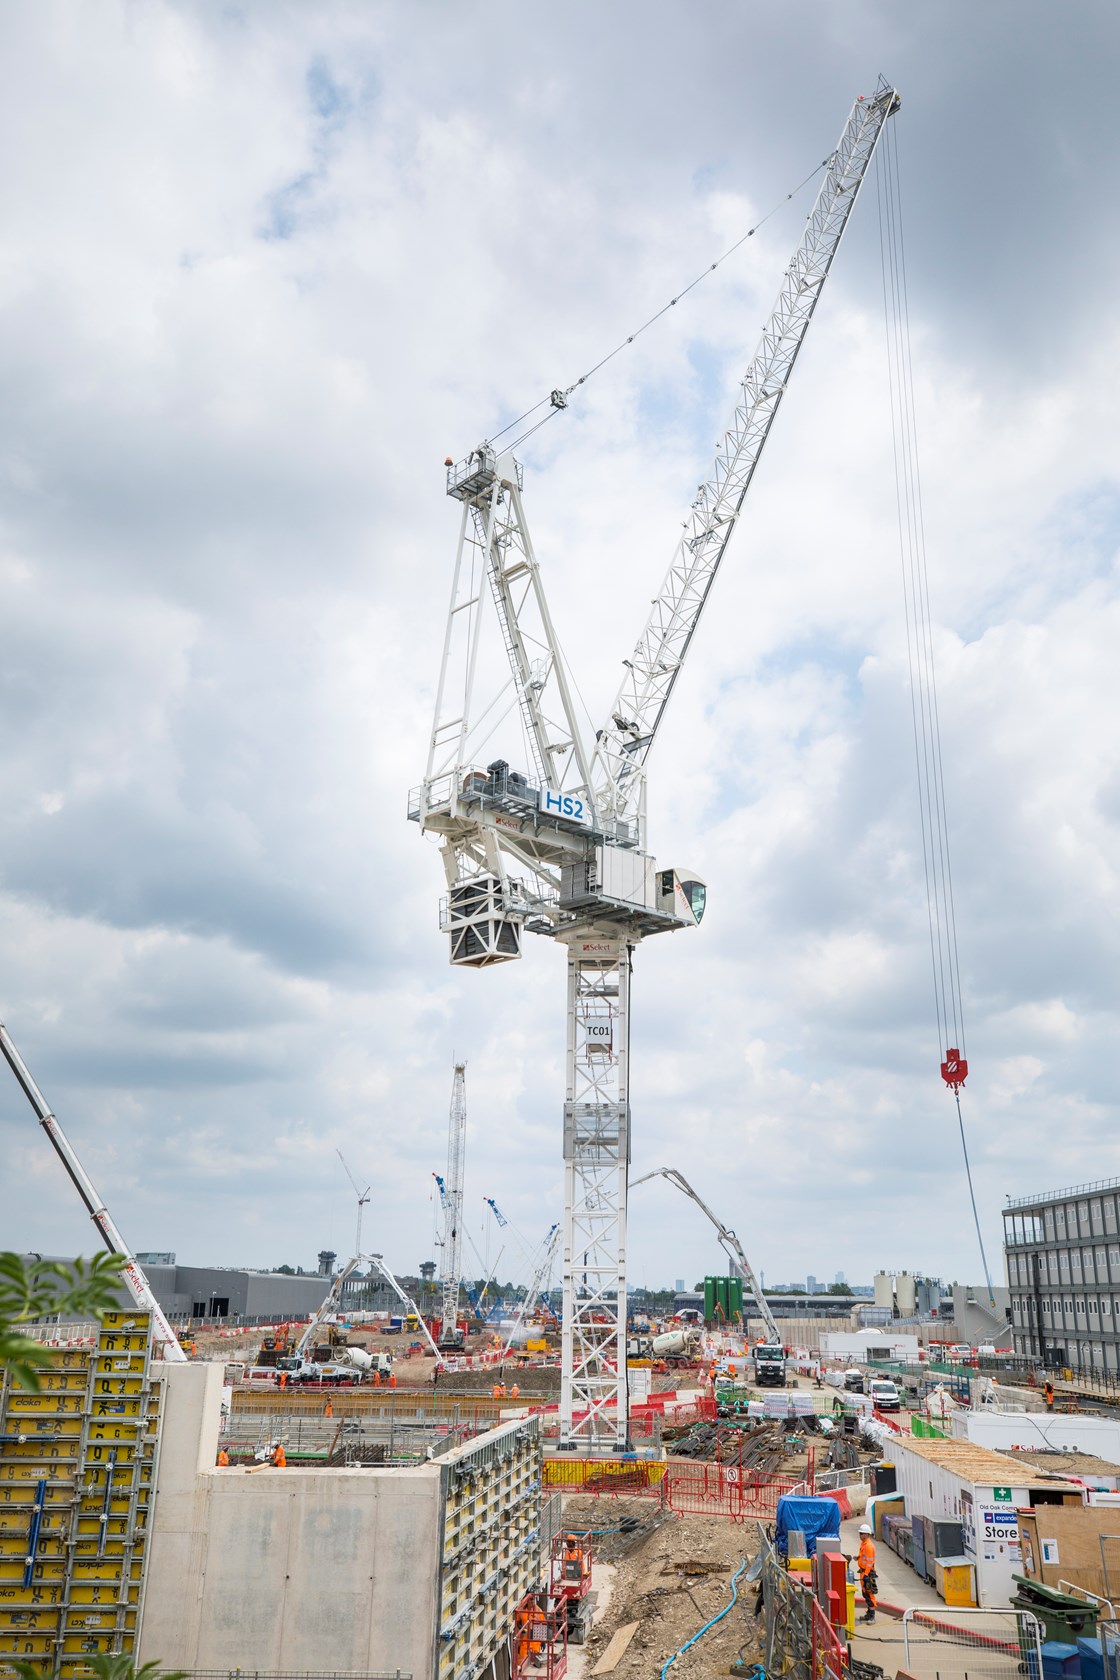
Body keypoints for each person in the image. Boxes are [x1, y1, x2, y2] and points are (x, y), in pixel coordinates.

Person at [857, 1523, 877, 1623]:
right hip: (863, 1572)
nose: (860, 1535)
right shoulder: (864, 1544)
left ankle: (872, 1616)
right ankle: (869, 1614)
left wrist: (866, 1575)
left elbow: (869, 1562)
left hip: (867, 1573)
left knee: (869, 1594)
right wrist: (858, 1558)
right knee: (865, 1593)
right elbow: (864, 1557)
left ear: (866, 1534)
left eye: (861, 1533)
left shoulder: (868, 1546)